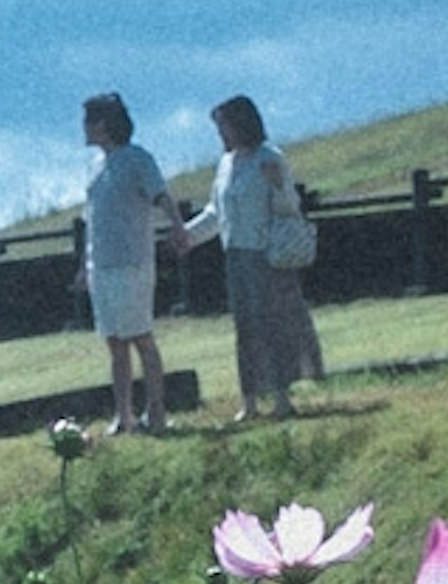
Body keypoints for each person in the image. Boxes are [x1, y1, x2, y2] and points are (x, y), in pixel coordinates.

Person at [198, 91, 324, 420]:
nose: (221, 135)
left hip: (266, 254)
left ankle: (282, 396)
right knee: (246, 328)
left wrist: (279, 184)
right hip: (236, 255)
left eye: (225, 126)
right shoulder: (226, 165)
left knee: (274, 325)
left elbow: (288, 207)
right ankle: (250, 400)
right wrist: (188, 235)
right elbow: (216, 211)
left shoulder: (269, 157)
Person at [76, 91, 185, 438]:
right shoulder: (95, 168)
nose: (84, 129)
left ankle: (157, 411)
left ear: (104, 124)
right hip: (102, 265)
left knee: (141, 337)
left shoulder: (137, 159)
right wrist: (84, 265)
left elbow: (160, 195)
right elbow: (92, 220)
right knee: (114, 342)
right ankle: (124, 415)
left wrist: (178, 226)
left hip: (131, 263)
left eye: (89, 121)